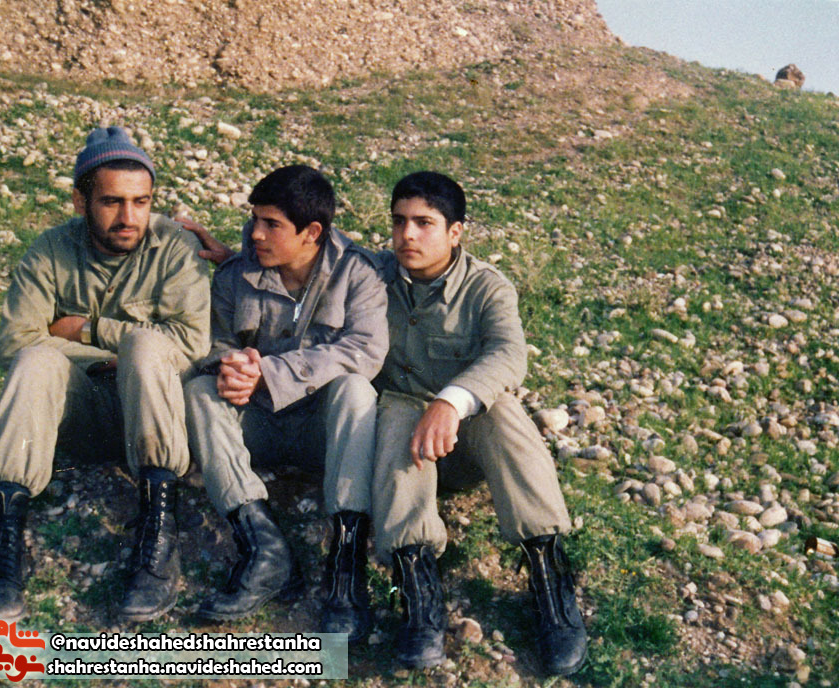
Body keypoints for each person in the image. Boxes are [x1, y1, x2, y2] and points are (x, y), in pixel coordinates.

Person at [0, 127, 210, 625]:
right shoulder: (50, 250)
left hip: (154, 415)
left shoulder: (174, 247)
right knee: (36, 362)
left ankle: (157, 542)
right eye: (111, 202)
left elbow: (190, 343)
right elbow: (16, 341)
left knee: (146, 346)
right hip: (81, 411)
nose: (128, 217)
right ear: (81, 201)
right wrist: (101, 360)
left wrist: (91, 330)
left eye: (141, 202)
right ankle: (3, 555)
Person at [371, 171, 587, 674]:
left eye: (424, 223)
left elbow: (509, 354)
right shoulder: (373, 272)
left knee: (503, 411)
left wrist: (450, 402)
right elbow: (309, 252)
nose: (407, 235)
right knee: (397, 411)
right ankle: (418, 591)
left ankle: (549, 575)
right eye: (399, 221)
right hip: (400, 438)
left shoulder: (487, 287)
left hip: (464, 443)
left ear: (456, 232)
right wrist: (239, 256)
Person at [181, 165, 387, 642]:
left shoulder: (358, 274)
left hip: (323, 432)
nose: (255, 233)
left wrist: (271, 373)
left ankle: (346, 569)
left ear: (311, 232)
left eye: (271, 224)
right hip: (258, 426)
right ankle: (262, 546)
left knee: (356, 389)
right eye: (255, 219)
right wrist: (230, 365)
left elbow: (365, 351)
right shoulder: (237, 273)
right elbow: (214, 339)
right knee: (200, 392)